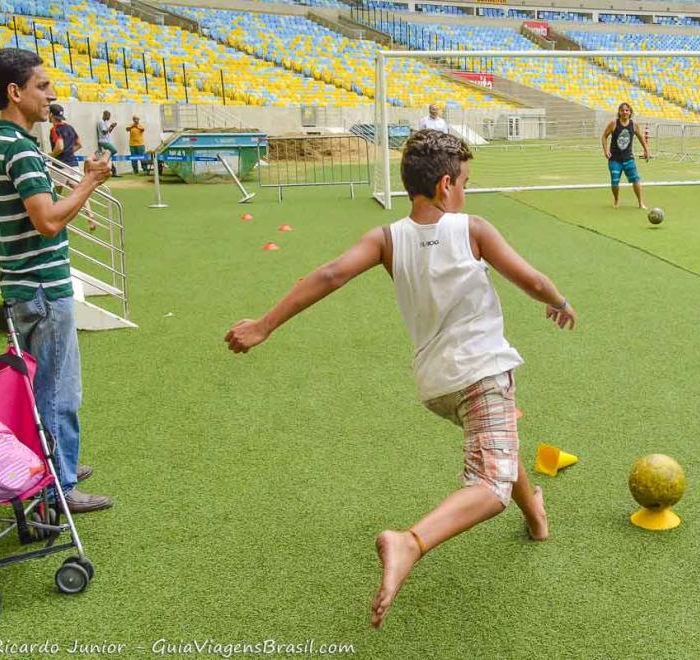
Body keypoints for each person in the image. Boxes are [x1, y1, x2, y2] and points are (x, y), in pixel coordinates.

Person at [225, 129, 576, 629]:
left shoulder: (386, 239)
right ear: (446, 185)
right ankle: (410, 542)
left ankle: (536, 518)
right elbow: (533, 280)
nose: (466, 193)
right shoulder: (471, 227)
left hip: (437, 385)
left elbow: (329, 275)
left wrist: (263, 325)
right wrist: (558, 301)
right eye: (466, 183)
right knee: (489, 483)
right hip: (481, 372)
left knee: (495, 441)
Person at [0, 48, 114, 513]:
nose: (51, 95)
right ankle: (59, 485)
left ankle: (59, 464)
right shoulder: (18, 147)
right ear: (15, 93)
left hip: (23, 285)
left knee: (43, 388)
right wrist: (90, 181)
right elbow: (48, 222)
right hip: (41, 287)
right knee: (59, 390)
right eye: (42, 85)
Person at [601, 102, 650, 209]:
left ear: (630, 112)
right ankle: (616, 200)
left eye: (627, 110)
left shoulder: (634, 125)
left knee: (636, 180)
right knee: (614, 181)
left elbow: (641, 137)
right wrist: (605, 150)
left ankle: (640, 202)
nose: (624, 112)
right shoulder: (613, 124)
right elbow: (604, 136)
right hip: (614, 159)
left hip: (628, 159)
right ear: (619, 112)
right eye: (622, 110)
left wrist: (646, 150)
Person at [48, 103, 80, 168]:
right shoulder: (70, 127)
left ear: (51, 114)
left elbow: (60, 147)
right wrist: (68, 152)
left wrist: (51, 155)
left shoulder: (54, 129)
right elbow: (79, 144)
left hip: (61, 166)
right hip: (74, 165)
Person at [96, 109, 119, 177]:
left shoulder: (105, 122)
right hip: (103, 141)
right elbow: (104, 132)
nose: (109, 117)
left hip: (107, 140)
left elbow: (108, 132)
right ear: (105, 115)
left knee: (109, 155)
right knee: (114, 150)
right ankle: (104, 158)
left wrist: (112, 127)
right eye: (108, 116)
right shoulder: (101, 122)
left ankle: (106, 159)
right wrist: (110, 126)